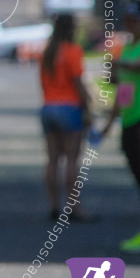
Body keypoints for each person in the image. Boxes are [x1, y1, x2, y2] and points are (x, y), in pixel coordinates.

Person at [99, 0, 140, 254]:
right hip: (129, 120)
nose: (129, 24)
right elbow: (122, 90)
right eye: (126, 19)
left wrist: (120, 65)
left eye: (134, 19)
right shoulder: (128, 48)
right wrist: (109, 123)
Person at [38, 14, 95, 222]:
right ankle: (74, 207)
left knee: (52, 159)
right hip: (69, 107)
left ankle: (54, 205)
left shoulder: (47, 52)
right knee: (72, 159)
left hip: (48, 106)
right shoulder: (73, 51)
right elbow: (78, 82)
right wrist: (88, 107)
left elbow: (43, 83)